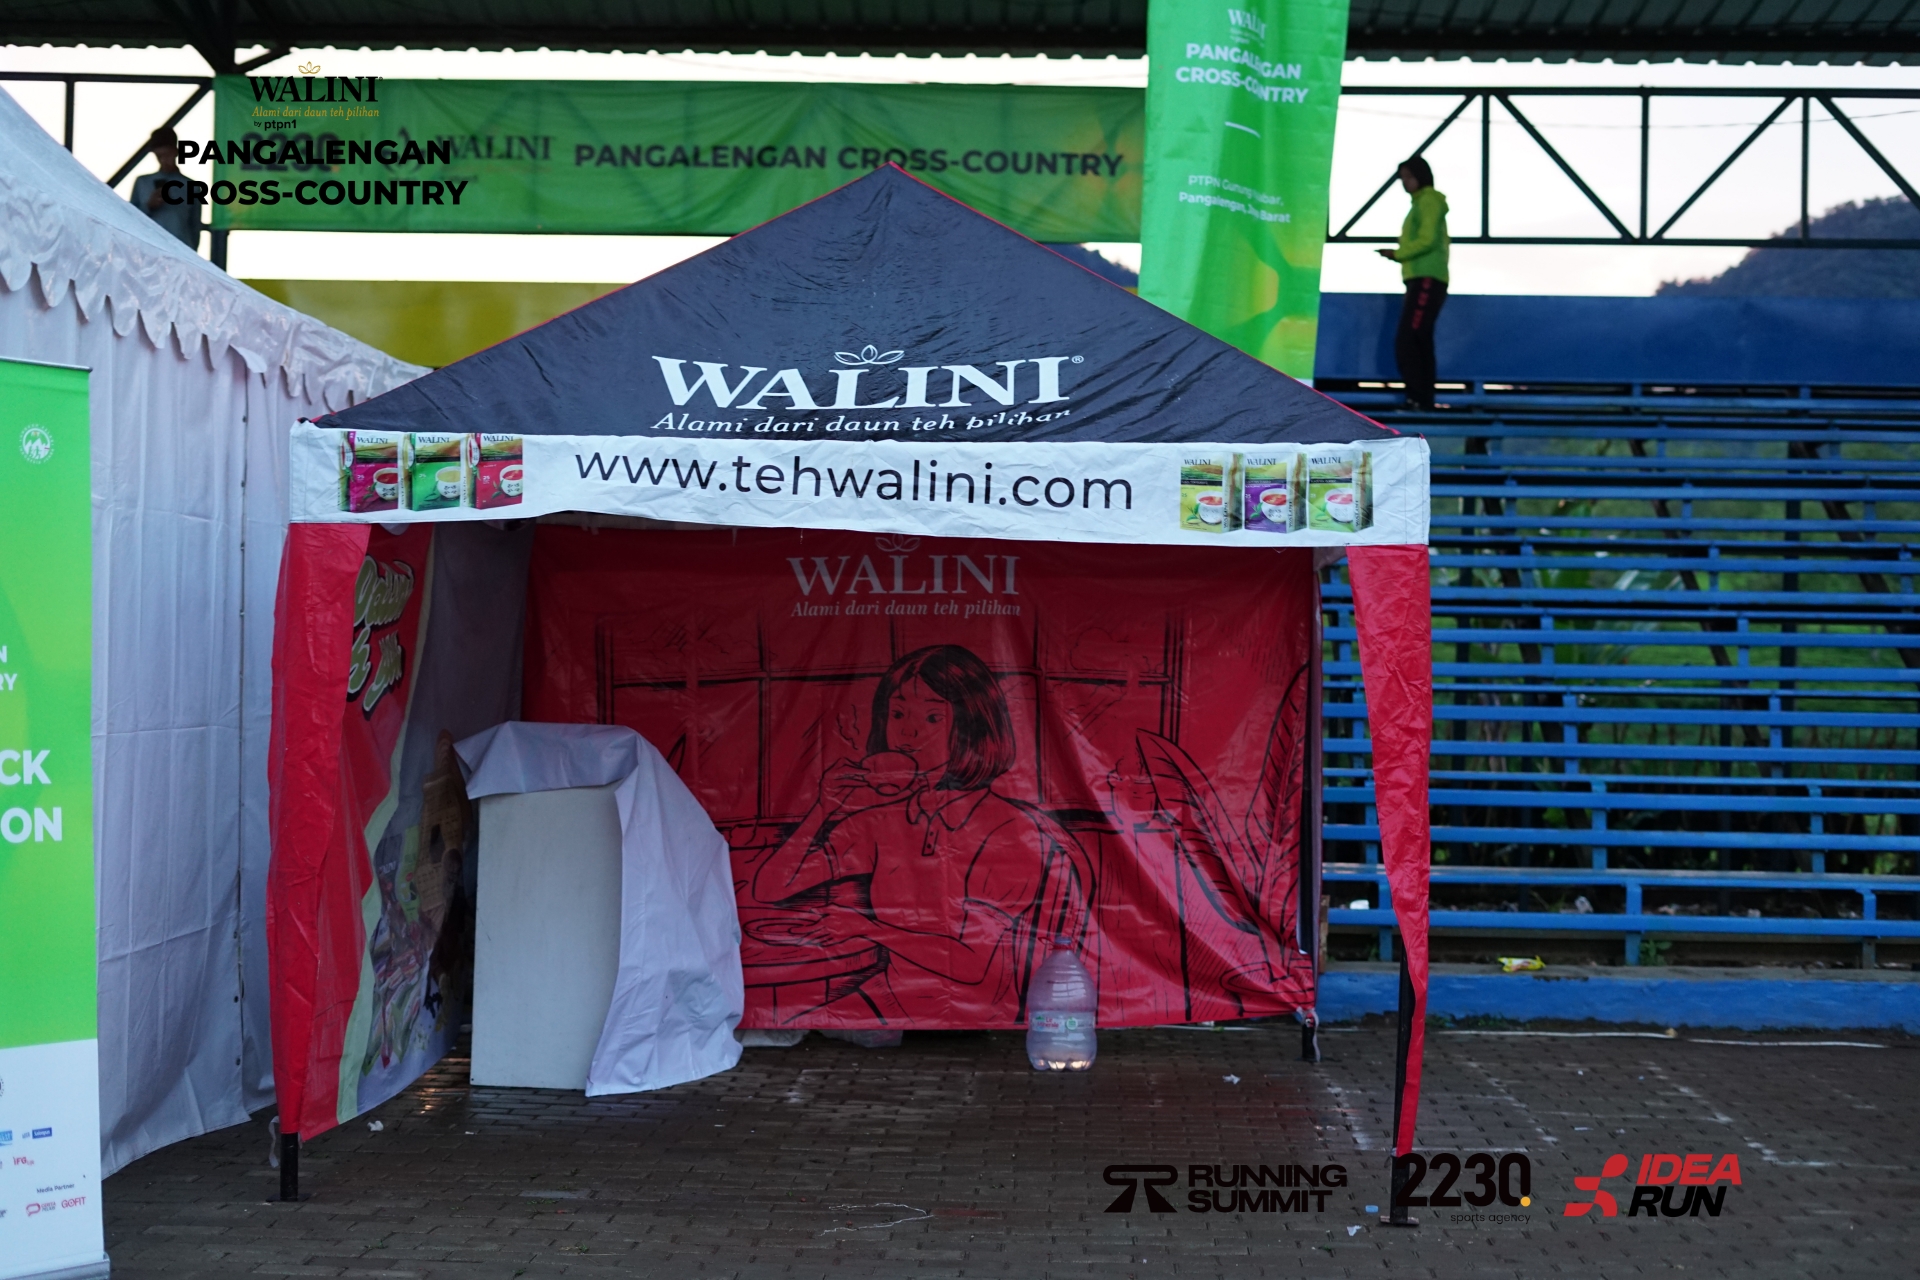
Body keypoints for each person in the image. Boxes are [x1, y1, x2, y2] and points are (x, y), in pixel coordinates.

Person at [750, 644, 1089, 1023]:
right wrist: (821, 809)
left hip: (981, 1016)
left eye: (932, 717)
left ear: (973, 730)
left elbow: (973, 964)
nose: (907, 732)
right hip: (888, 998)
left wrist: (867, 928)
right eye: (897, 714)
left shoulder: (1012, 832)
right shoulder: (879, 823)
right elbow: (771, 889)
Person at [1377, 154, 1449, 411]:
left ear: (1420, 175)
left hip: (1426, 279)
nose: (1405, 183)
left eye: (1408, 177)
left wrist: (1399, 254)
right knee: (1419, 339)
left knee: (1410, 340)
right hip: (1421, 279)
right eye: (1402, 178)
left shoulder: (1428, 201)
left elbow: (1427, 239)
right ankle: (1422, 399)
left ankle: (1418, 399)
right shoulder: (1421, 203)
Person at [129, 126, 201, 249]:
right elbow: (130, 218)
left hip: (180, 249)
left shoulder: (191, 186)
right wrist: (148, 206)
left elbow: (195, 225)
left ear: (176, 152)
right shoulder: (142, 182)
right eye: (159, 156)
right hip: (148, 248)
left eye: (167, 155)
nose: (163, 160)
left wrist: (192, 252)